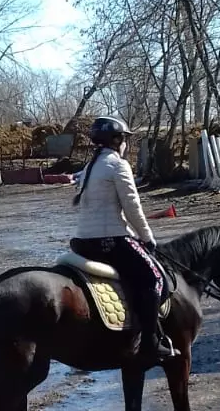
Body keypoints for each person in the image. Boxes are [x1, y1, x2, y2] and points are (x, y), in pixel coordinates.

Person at [70, 117, 177, 364]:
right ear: (117, 140)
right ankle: (150, 342)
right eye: (125, 138)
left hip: (83, 241)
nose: (126, 143)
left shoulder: (90, 166)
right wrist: (148, 238)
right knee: (155, 278)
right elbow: (132, 207)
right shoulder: (117, 165)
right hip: (110, 240)